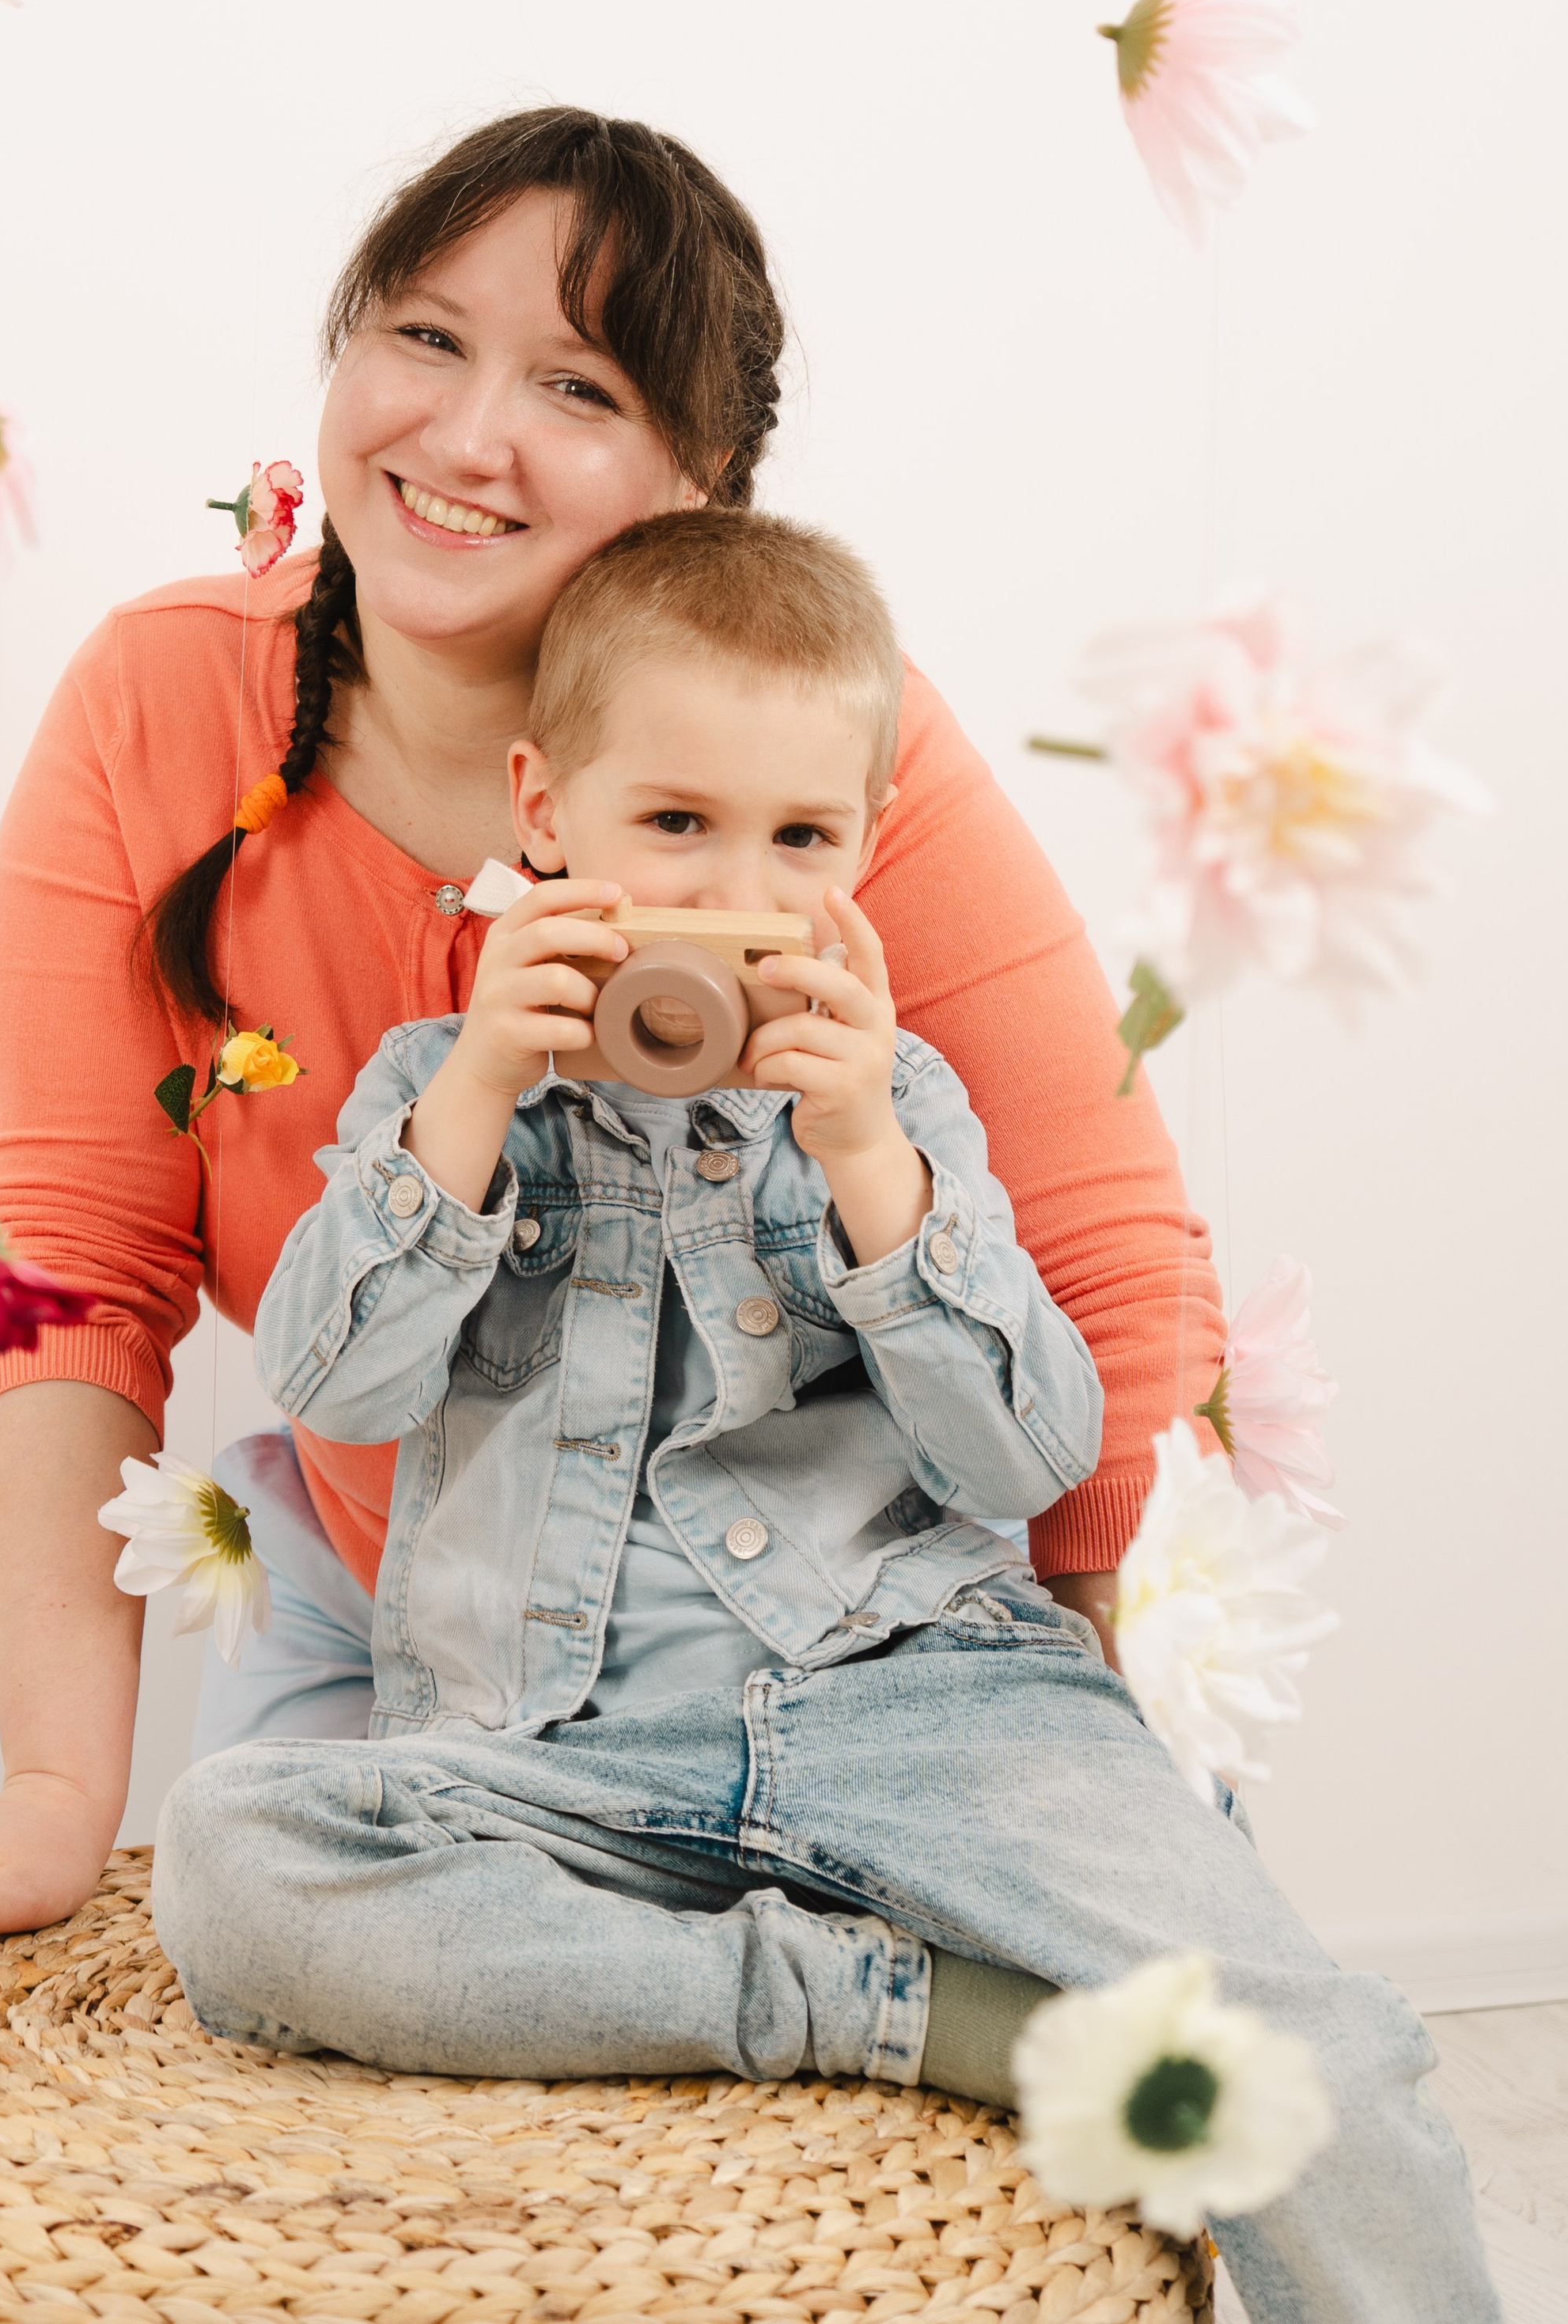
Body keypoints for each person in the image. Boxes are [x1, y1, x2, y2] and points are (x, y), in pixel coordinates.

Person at [0, 106, 1218, 1990]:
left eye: (575, 385)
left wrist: (1115, 1742)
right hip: (412, 1620)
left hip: (836, 1636)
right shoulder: (157, 703)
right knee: (261, 1921)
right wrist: (54, 1786)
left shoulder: (806, 758)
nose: (466, 435)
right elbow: (70, 1259)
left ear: (703, 482)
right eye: (421, 335)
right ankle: (853, 2010)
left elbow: (1102, 1245)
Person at [153, 510, 1497, 2324]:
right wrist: (472, 1091)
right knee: (234, 1863)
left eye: (798, 840)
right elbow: (334, 1383)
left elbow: (1022, 1458)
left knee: (1309, 2051)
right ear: (542, 811)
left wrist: (867, 1160)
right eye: (675, 825)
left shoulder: (894, 1101)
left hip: (920, 1708)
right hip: (557, 1753)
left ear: (866, 845)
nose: (742, 889)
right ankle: (890, 2008)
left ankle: (926, 1960)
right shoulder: (440, 1083)